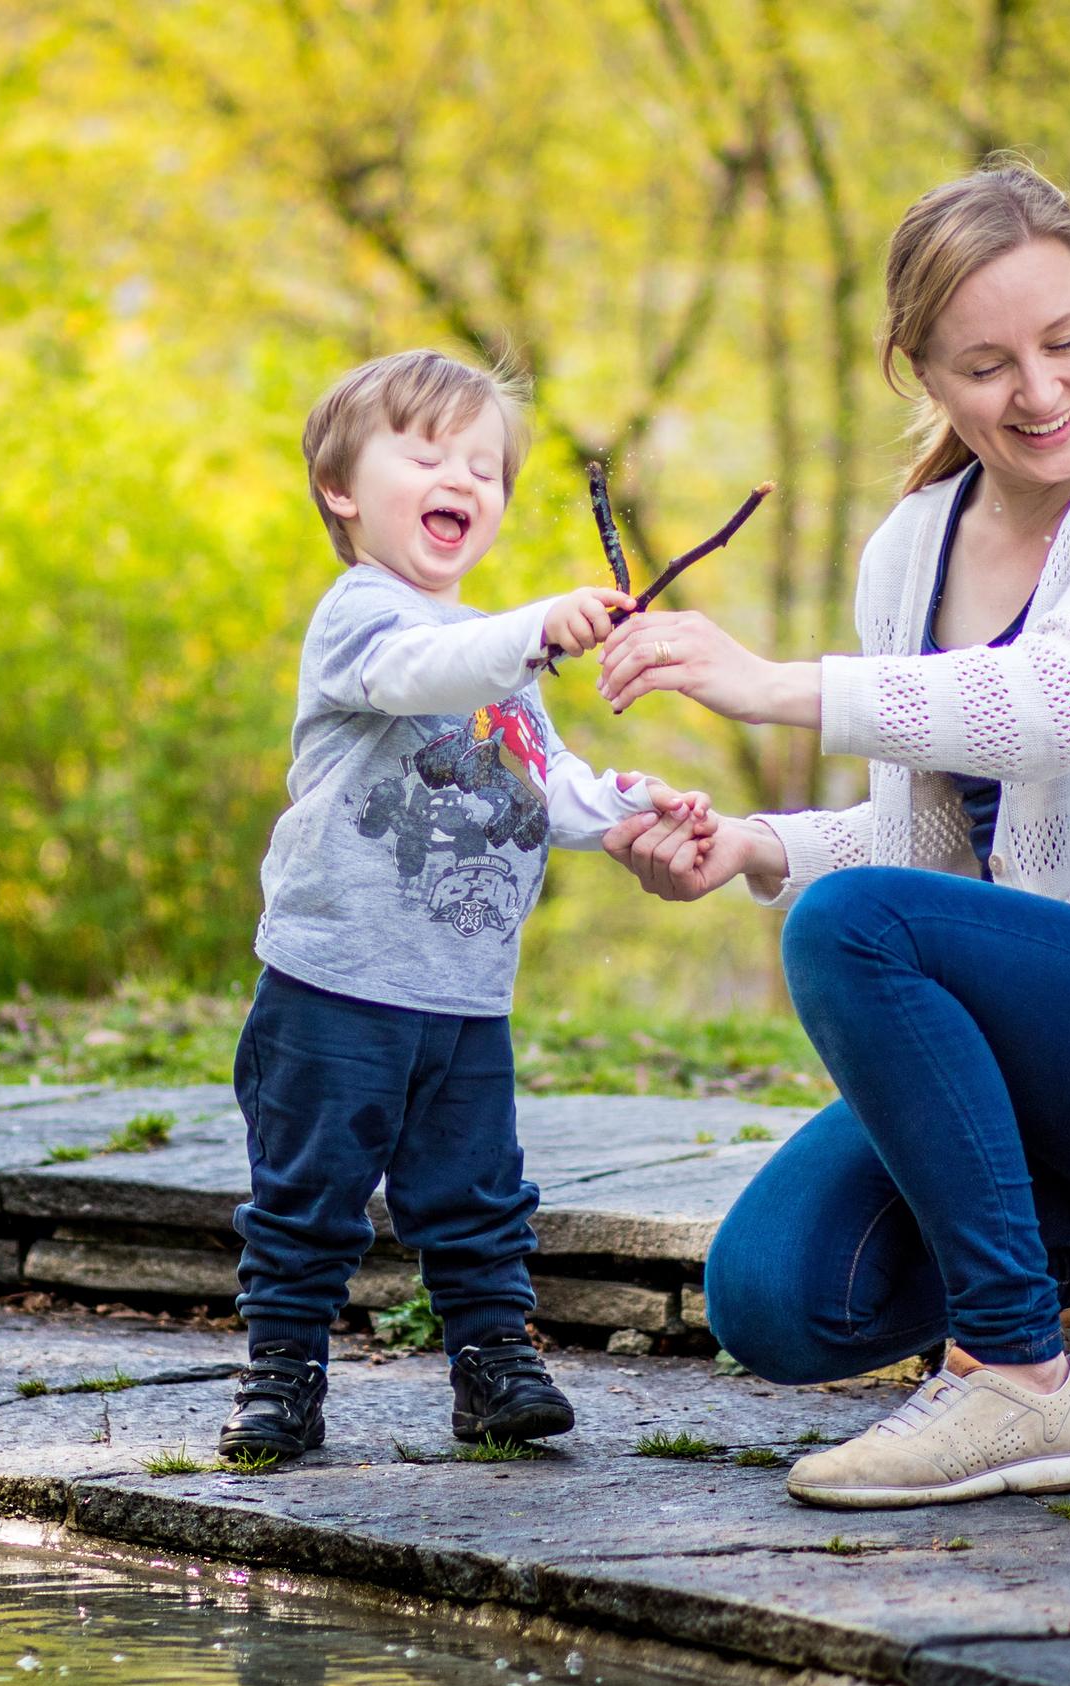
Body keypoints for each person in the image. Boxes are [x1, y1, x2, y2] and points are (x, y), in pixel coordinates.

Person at [594, 161, 1070, 1509]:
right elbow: (933, 854)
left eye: (1066, 341)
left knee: (856, 930)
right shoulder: (910, 548)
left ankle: (1016, 1373)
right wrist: (753, 848)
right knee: (780, 1296)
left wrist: (777, 682)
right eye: (988, 364)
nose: (1042, 390)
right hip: (1061, 1054)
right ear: (923, 374)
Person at [219, 349, 718, 1463]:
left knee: (477, 1192)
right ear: (341, 489)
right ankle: (281, 1373)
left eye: (484, 466)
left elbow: (537, 771)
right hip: (335, 982)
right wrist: (535, 628)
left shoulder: (496, 647)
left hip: (461, 991)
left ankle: (493, 1362)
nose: (464, 478)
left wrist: (632, 803)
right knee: (308, 1193)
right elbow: (421, 677)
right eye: (428, 452)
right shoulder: (361, 619)